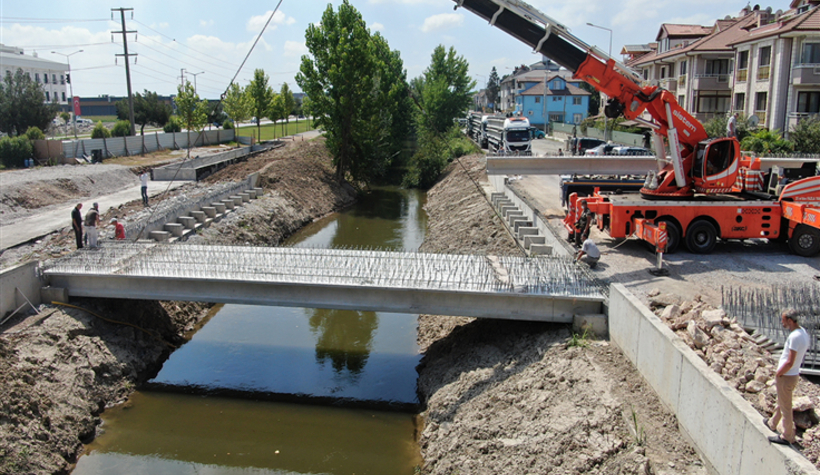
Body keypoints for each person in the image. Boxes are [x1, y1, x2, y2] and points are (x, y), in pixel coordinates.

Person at [766, 308, 810, 445]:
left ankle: (787, 436)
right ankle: (772, 423)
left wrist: (779, 373)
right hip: (794, 374)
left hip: (787, 375)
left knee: (786, 407)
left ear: (790, 320)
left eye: (783, 320)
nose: (782, 322)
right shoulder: (803, 333)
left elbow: (790, 361)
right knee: (783, 401)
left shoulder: (794, 337)